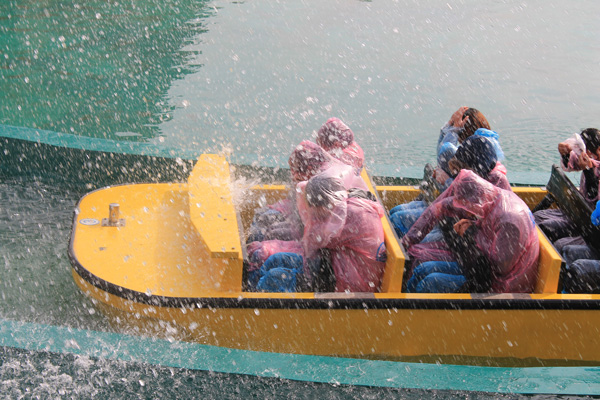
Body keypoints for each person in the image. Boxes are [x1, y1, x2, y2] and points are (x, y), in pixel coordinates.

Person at [401, 170, 539, 293]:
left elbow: (500, 266)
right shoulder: (489, 198)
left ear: (477, 201)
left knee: (431, 281)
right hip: (479, 266)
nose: (466, 213)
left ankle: (414, 309)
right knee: (420, 263)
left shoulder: (509, 220)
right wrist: (408, 240)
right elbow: (439, 207)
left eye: (467, 208)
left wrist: (472, 233)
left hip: (501, 284)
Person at [390, 135, 509, 238]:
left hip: (460, 233)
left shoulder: (494, 180)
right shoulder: (473, 169)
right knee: (396, 214)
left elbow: (463, 204)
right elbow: (450, 200)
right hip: (448, 221)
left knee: (398, 220)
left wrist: (446, 181)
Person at [295, 174, 387, 292]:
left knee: (291, 265)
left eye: (315, 208)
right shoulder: (350, 199)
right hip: (361, 271)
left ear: (322, 207)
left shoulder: (348, 216)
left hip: (354, 284)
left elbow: (313, 241)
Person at [534, 128, 600, 251]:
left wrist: (588, 170)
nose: (582, 155)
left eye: (585, 151)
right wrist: (565, 154)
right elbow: (572, 164)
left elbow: (594, 195)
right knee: (538, 217)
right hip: (578, 212)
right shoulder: (592, 160)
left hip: (590, 223)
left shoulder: (592, 164)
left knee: (560, 243)